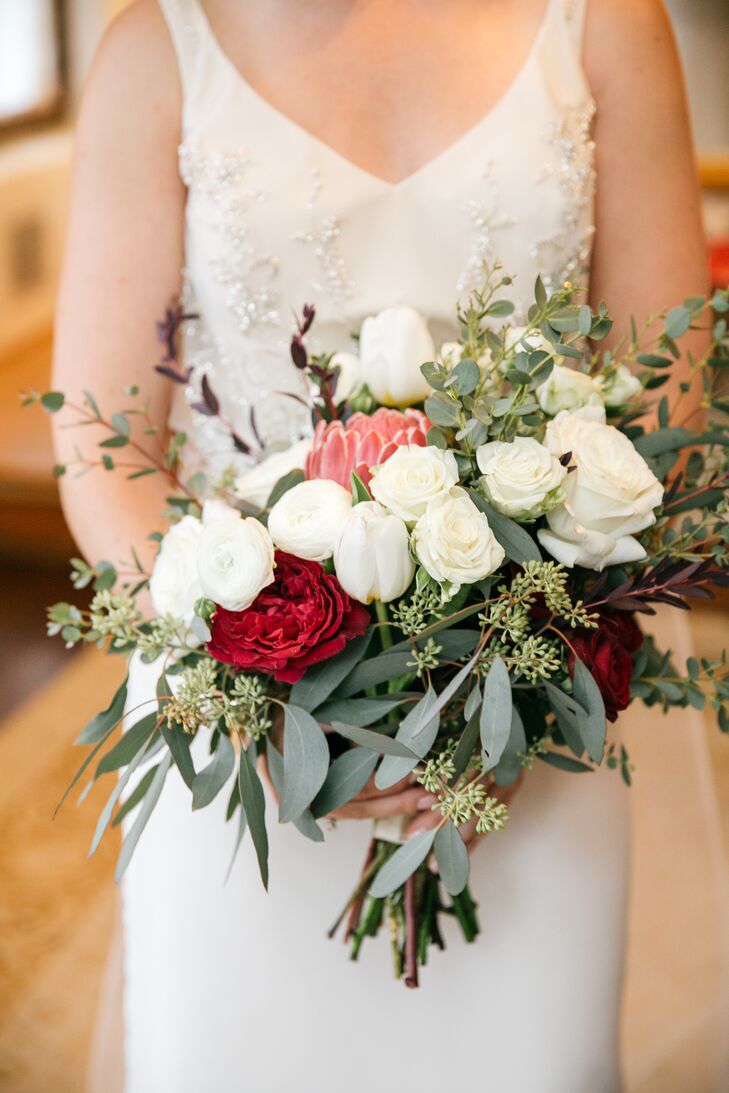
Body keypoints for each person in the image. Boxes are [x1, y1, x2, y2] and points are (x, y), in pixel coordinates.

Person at [52, 2, 716, 1091]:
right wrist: (264, 702)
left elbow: (667, 409)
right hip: (245, 736)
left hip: (531, 734)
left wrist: (500, 694)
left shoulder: (605, 25)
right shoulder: (157, 48)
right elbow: (100, 445)